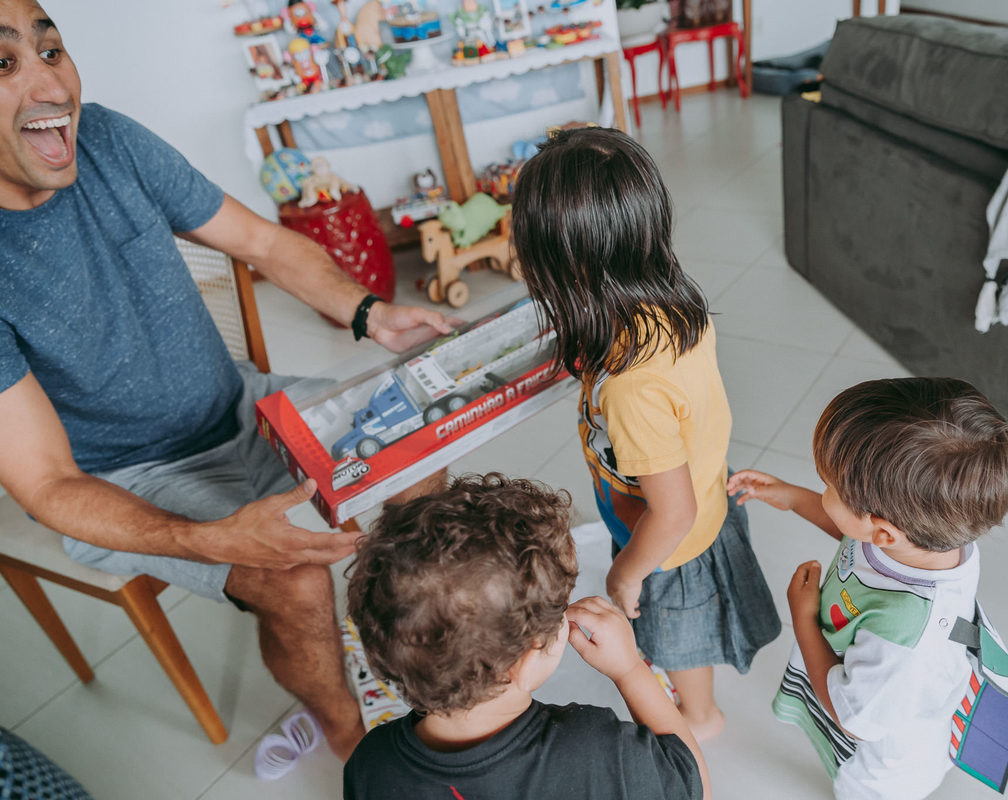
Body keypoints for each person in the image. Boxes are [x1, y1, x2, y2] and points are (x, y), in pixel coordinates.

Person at [0, 0, 452, 760]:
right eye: (3, 64)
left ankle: (415, 660)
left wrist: (368, 310)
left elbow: (262, 242)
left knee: (414, 458)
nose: (51, 87)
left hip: (243, 401)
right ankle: (350, 738)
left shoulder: (106, 136)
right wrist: (205, 538)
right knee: (297, 585)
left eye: (53, 50)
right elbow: (46, 485)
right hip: (132, 476)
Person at [510, 127, 780, 740]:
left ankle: (698, 719)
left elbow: (674, 513)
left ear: (568, 266)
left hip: (669, 541)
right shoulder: (666, 302)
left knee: (680, 640)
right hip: (686, 486)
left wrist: (627, 575)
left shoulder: (633, 389)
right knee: (674, 624)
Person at [727, 377, 1008, 800]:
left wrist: (802, 619)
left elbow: (853, 717)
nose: (822, 491)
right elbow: (861, 536)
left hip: (884, 767)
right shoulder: (933, 535)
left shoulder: (903, 634)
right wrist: (794, 498)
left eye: (827, 487)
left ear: (884, 531)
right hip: (898, 695)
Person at [342, 473, 711, 800]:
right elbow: (690, 783)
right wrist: (629, 669)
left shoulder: (370, 763)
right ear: (530, 657)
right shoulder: (596, 748)